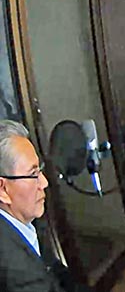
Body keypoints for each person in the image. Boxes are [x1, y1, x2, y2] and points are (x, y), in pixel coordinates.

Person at [0, 120, 91, 292]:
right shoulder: (16, 271)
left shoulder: (24, 221)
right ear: (3, 190)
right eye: (33, 174)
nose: (44, 182)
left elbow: (57, 273)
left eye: (39, 170)